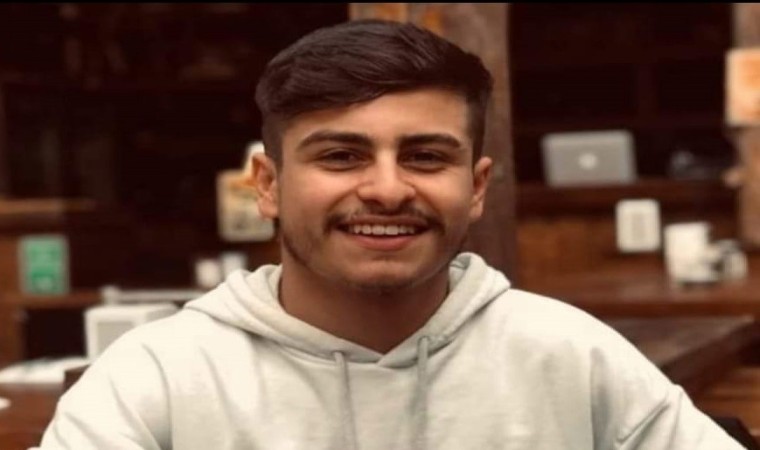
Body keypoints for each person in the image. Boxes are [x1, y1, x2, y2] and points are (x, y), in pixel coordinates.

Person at [34, 19, 743, 450]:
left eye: (426, 156)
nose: (387, 188)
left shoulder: (572, 356)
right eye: (341, 156)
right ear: (268, 184)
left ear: (476, 187)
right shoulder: (154, 380)